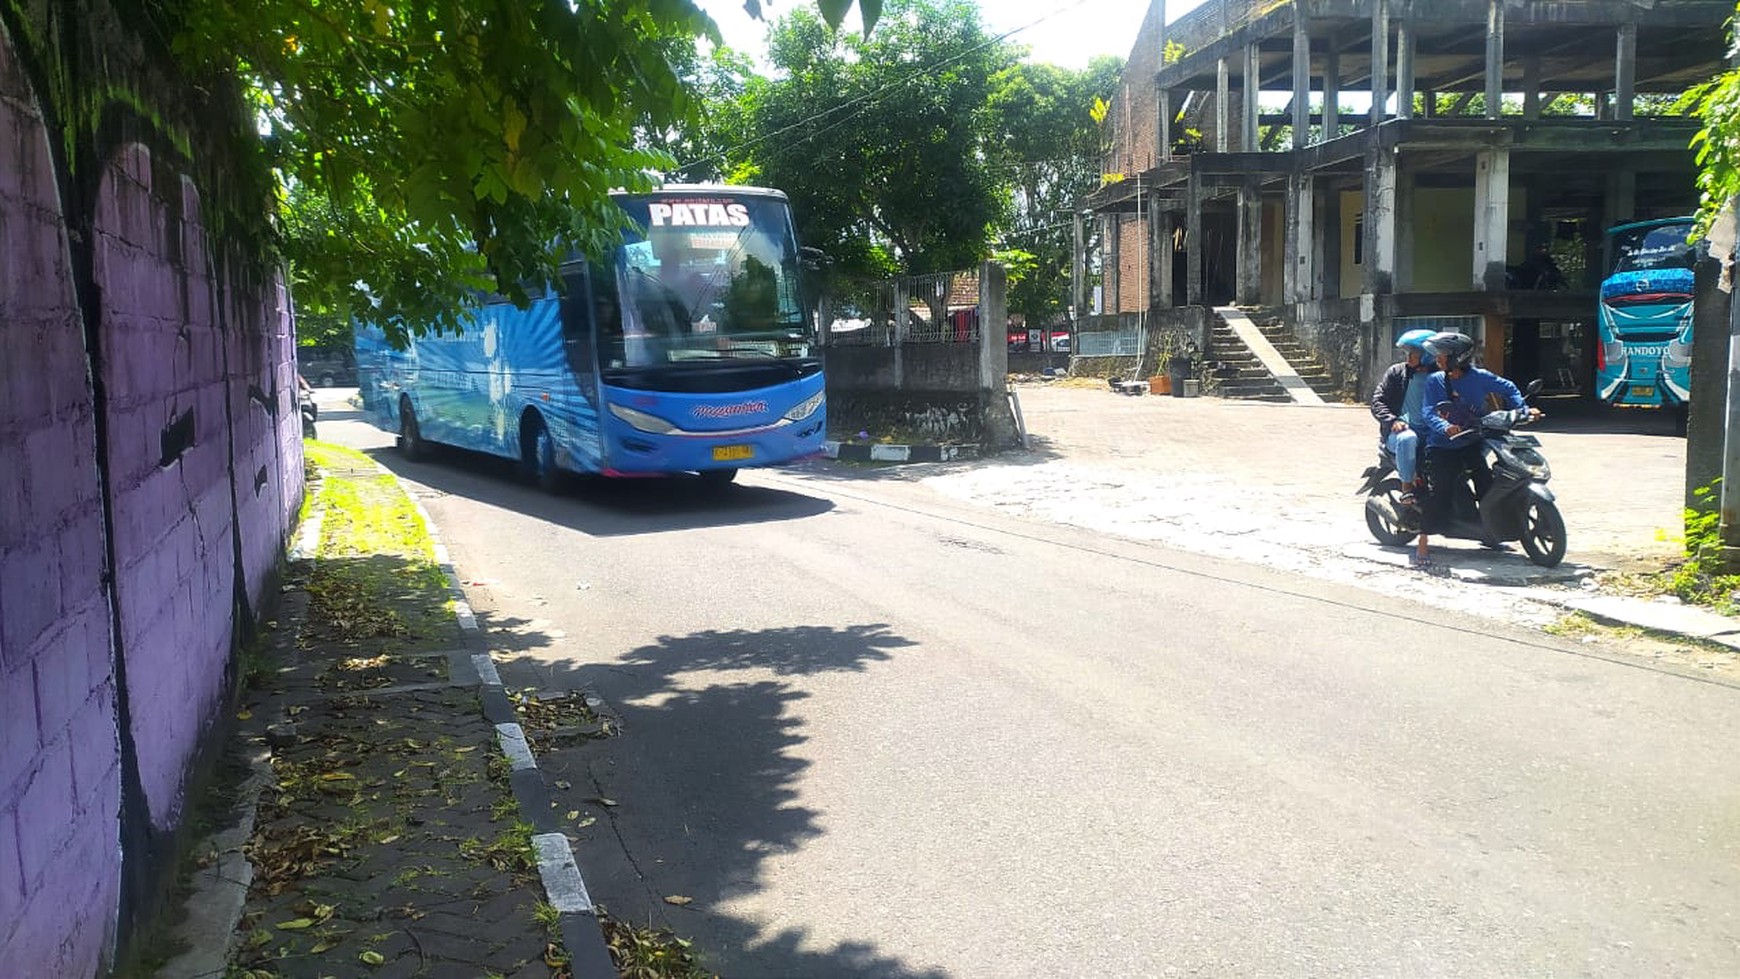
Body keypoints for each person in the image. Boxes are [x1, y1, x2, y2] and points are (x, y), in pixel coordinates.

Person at [1415, 332, 1540, 569]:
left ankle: (1490, 534)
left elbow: (1509, 387)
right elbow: (1429, 412)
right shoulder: (1435, 381)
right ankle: (1423, 541)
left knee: (1487, 485)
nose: (1438, 359)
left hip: (1472, 441)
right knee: (1441, 491)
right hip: (1442, 447)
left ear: (1457, 357)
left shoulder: (1479, 377)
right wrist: (1445, 427)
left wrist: (1523, 409)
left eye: (1442, 355)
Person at [1369, 328, 1439, 506]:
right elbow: (1378, 401)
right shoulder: (1397, 373)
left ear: (1427, 355)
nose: (1408, 358)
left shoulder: (1441, 377)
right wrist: (1393, 420)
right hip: (1399, 435)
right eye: (1407, 354)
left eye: (1413, 354)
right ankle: (1406, 488)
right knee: (1408, 438)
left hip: (1431, 433)